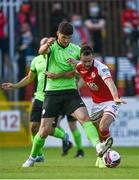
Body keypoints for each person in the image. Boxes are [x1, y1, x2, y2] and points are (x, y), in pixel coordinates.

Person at [22, 21, 113, 168]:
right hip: (52, 93)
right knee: (44, 131)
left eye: (69, 38)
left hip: (70, 91)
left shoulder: (76, 49)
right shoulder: (51, 47)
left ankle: (99, 148)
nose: (66, 40)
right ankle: (32, 157)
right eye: (64, 37)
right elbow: (41, 51)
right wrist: (46, 45)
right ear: (58, 34)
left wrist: (68, 70)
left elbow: (81, 68)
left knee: (85, 119)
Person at [1, 37, 74, 161]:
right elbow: (30, 78)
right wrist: (14, 86)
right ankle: (39, 154)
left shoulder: (57, 58)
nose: (45, 46)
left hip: (52, 98)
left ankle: (63, 136)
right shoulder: (36, 61)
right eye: (42, 44)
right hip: (39, 98)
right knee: (33, 127)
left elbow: (70, 72)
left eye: (46, 44)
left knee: (48, 130)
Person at [67, 45, 126, 168]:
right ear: (81, 58)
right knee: (96, 131)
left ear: (93, 58)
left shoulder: (101, 68)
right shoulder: (79, 66)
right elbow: (81, 73)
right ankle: (104, 153)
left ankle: (107, 143)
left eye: (89, 61)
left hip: (110, 101)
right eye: (84, 61)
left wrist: (115, 97)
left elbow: (110, 82)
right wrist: (76, 86)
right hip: (96, 104)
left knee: (103, 126)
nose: (87, 64)